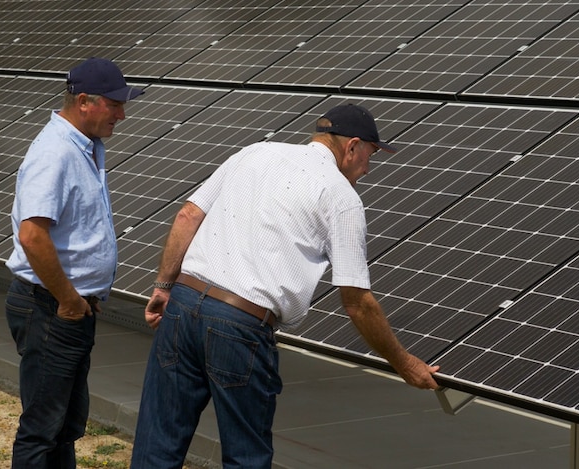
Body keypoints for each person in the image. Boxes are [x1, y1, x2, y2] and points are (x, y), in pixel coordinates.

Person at [130, 104, 440, 469]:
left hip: (181, 306)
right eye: (370, 155)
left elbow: (189, 215)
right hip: (240, 325)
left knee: (159, 442)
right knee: (246, 456)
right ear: (352, 146)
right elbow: (357, 302)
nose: (368, 168)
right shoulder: (341, 198)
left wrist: (164, 286)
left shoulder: (255, 151)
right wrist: (403, 363)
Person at [4, 57, 143, 468]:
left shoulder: (85, 147)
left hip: (67, 308)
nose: (122, 113)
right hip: (49, 309)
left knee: (64, 426)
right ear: (84, 101)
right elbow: (32, 234)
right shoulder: (56, 153)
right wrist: (67, 300)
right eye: (114, 104)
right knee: (42, 430)